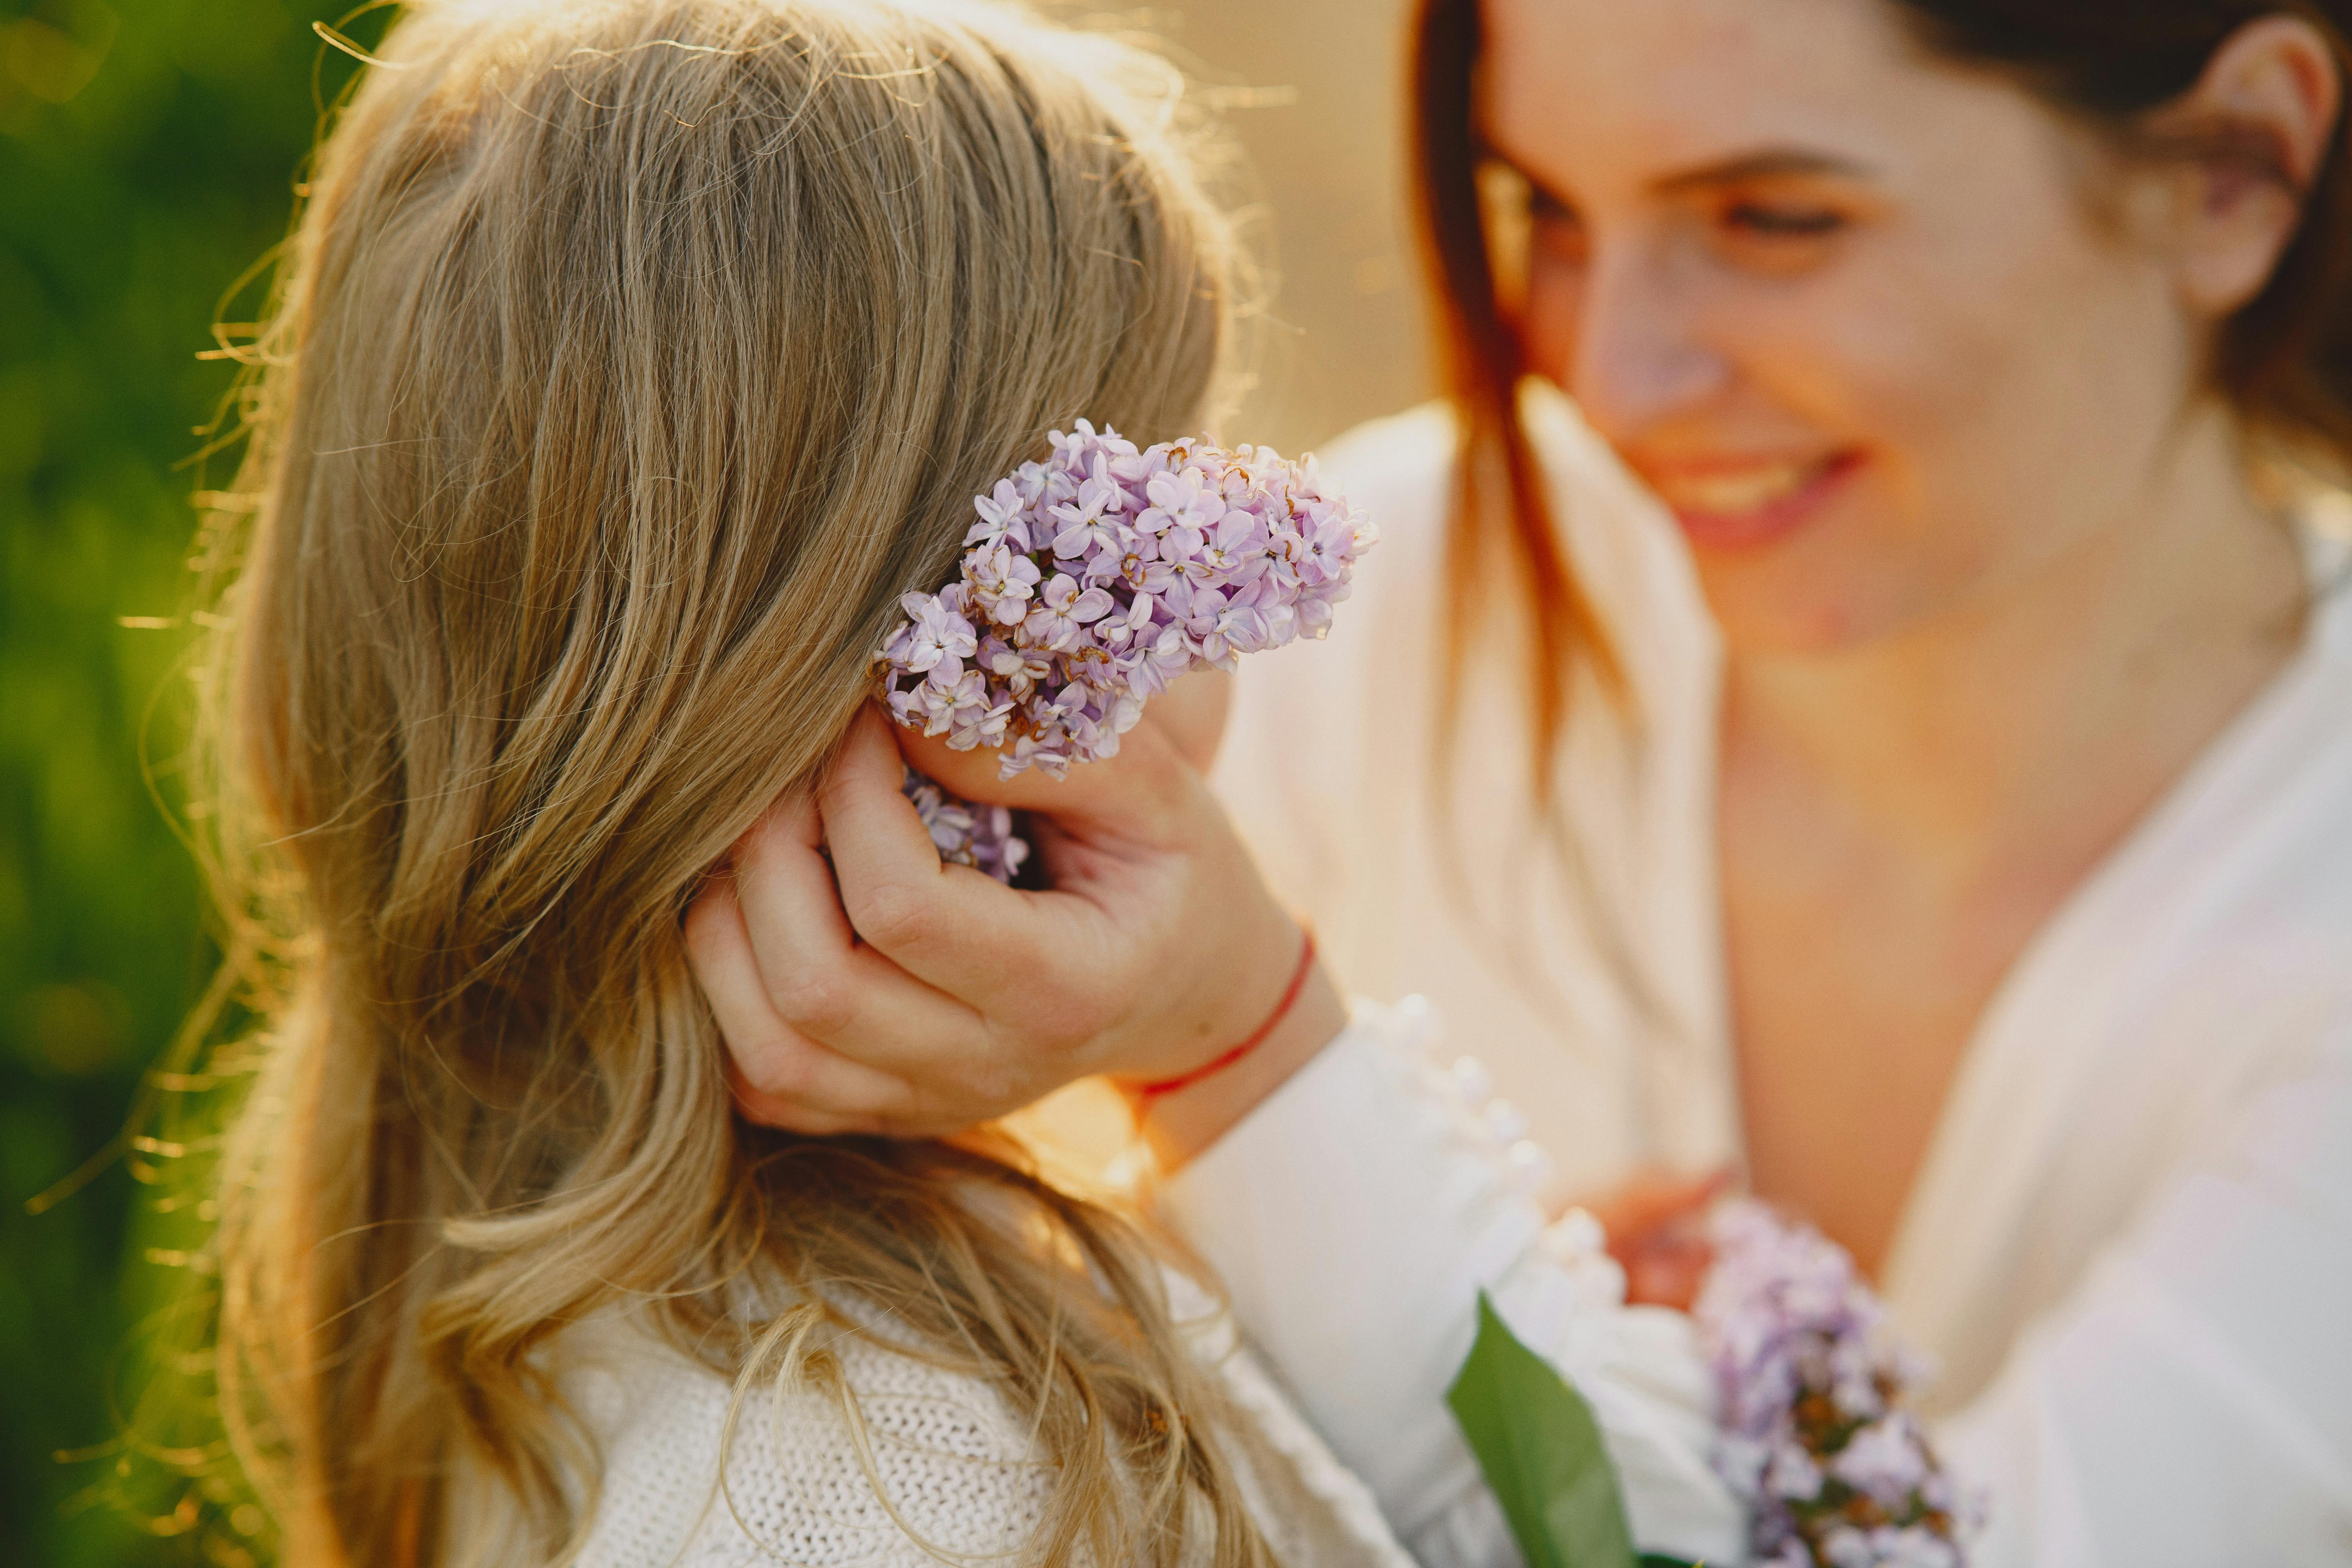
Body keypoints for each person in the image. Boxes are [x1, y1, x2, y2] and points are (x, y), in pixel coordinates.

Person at [704, 0, 2352, 1561]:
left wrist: (1258, 1064)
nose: (1609, 374)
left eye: (1775, 218)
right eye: (1544, 209)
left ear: (2232, 171)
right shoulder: (1394, 582)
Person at [164, 0, 1744, 1564]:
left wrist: (1269, 1114)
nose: (1224, 682)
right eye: (1142, 574)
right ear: (875, 699)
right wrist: (1254, 1054)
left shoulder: (580, 1301)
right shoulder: (918, 1489)